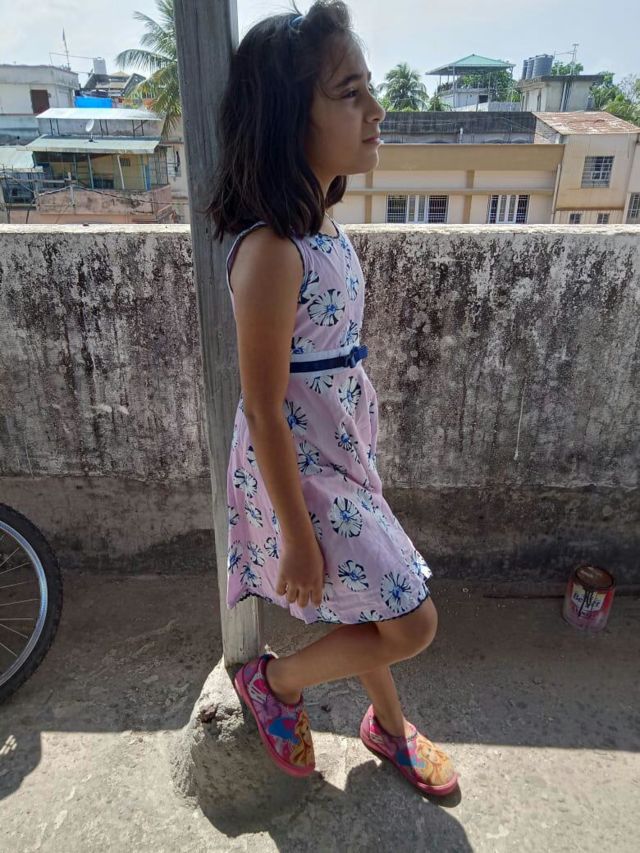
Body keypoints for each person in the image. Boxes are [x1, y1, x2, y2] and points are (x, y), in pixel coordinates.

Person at [208, 0, 459, 797]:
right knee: (411, 620)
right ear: (291, 119)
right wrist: (297, 537)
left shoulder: (326, 234)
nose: (375, 110)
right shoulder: (272, 252)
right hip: (306, 475)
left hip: (343, 455)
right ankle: (276, 683)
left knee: (375, 605)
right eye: (350, 93)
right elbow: (263, 407)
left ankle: (387, 724)